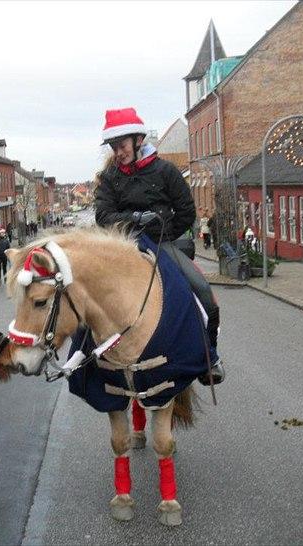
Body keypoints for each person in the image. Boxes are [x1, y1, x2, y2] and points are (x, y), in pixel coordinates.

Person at [95, 107, 224, 385]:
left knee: (202, 293)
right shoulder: (109, 179)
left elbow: (186, 212)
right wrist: (135, 218)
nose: (118, 152)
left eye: (122, 145)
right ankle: (87, 366)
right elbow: (103, 217)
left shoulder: (165, 171)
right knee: (87, 298)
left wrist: (164, 232)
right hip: (124, 249)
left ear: (137, 140)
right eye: (114, 147)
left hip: (162, 245)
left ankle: (209, 358)